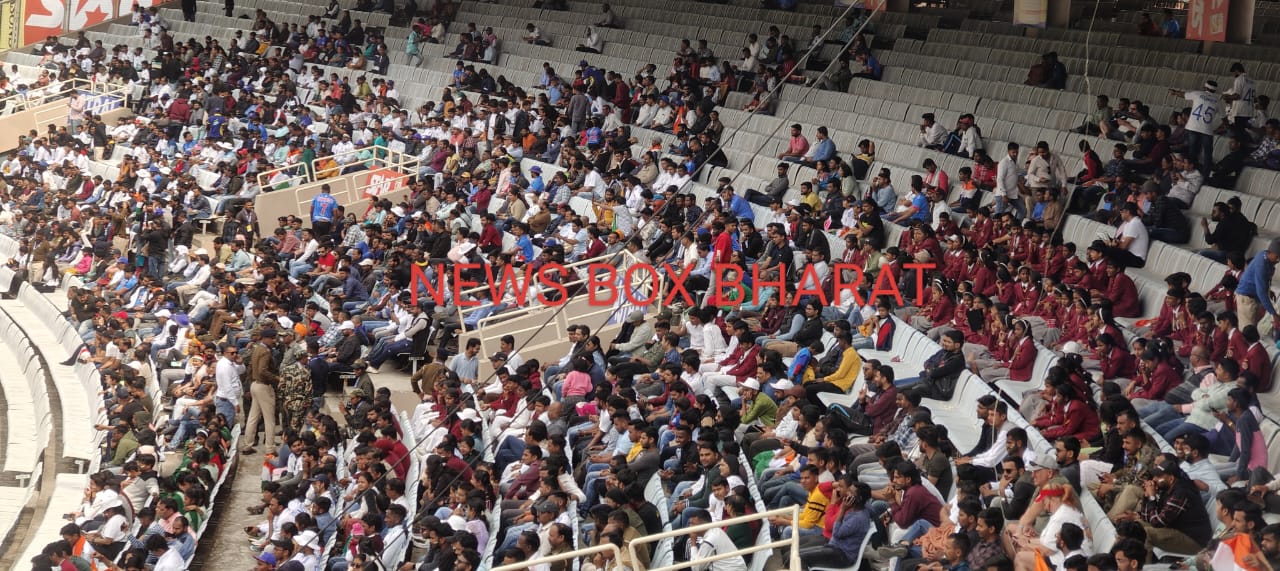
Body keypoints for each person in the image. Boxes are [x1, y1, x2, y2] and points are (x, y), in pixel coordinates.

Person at [1234, 237, 1280, 331]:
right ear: (1271, 252)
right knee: (1247, 331)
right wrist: (1273, 314)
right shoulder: (1261, 264)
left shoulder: (1265, 255)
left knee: (1253, 330)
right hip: (1247, 299)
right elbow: (1261, 292)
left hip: (1253, 297)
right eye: (1277, 256)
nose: (1278, 260)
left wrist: (1268, 290)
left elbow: (1263, 281)